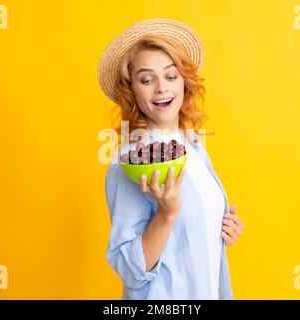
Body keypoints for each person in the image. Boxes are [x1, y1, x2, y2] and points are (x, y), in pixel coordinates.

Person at [97, 18, 245, 300]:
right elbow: (129, 271)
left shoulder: (195, 147)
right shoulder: (129, 163)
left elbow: (193, 239)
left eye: (170, 76)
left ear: (184, 82)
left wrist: (223, 226)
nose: (161, 88)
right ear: (133, 91)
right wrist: (166, 214)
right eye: (146, 79)